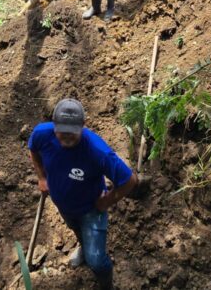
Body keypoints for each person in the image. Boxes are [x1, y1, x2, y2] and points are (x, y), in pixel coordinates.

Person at [28, 98, 137, 290]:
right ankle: (83, 246)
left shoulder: (97, 151)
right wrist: (42, 177)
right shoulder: (41, 134)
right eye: (62, 130)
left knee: (97, 262)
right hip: (63, 205)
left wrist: (107, 201)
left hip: (91, 210)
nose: (67, 136)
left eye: (73, 131)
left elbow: (129, 180)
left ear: (83, 126)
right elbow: (33, 150)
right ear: (54, 125)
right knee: (75, 228)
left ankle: (106, 285)